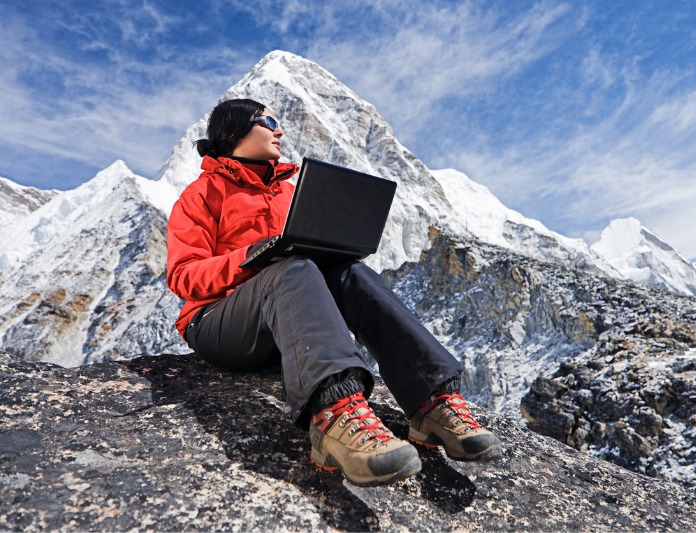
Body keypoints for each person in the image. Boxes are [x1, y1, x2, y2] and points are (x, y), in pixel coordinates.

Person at [166, 98, 502, 487]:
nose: (279, 131)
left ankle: (431, 400)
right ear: (232, 132)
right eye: (268, 121)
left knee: (351, 274)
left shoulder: (291, 192)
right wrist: (251, 257)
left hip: (287, 322)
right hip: (218, 323)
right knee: (289, 268)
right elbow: (183, 276)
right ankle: (332, 415)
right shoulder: (201, 194)